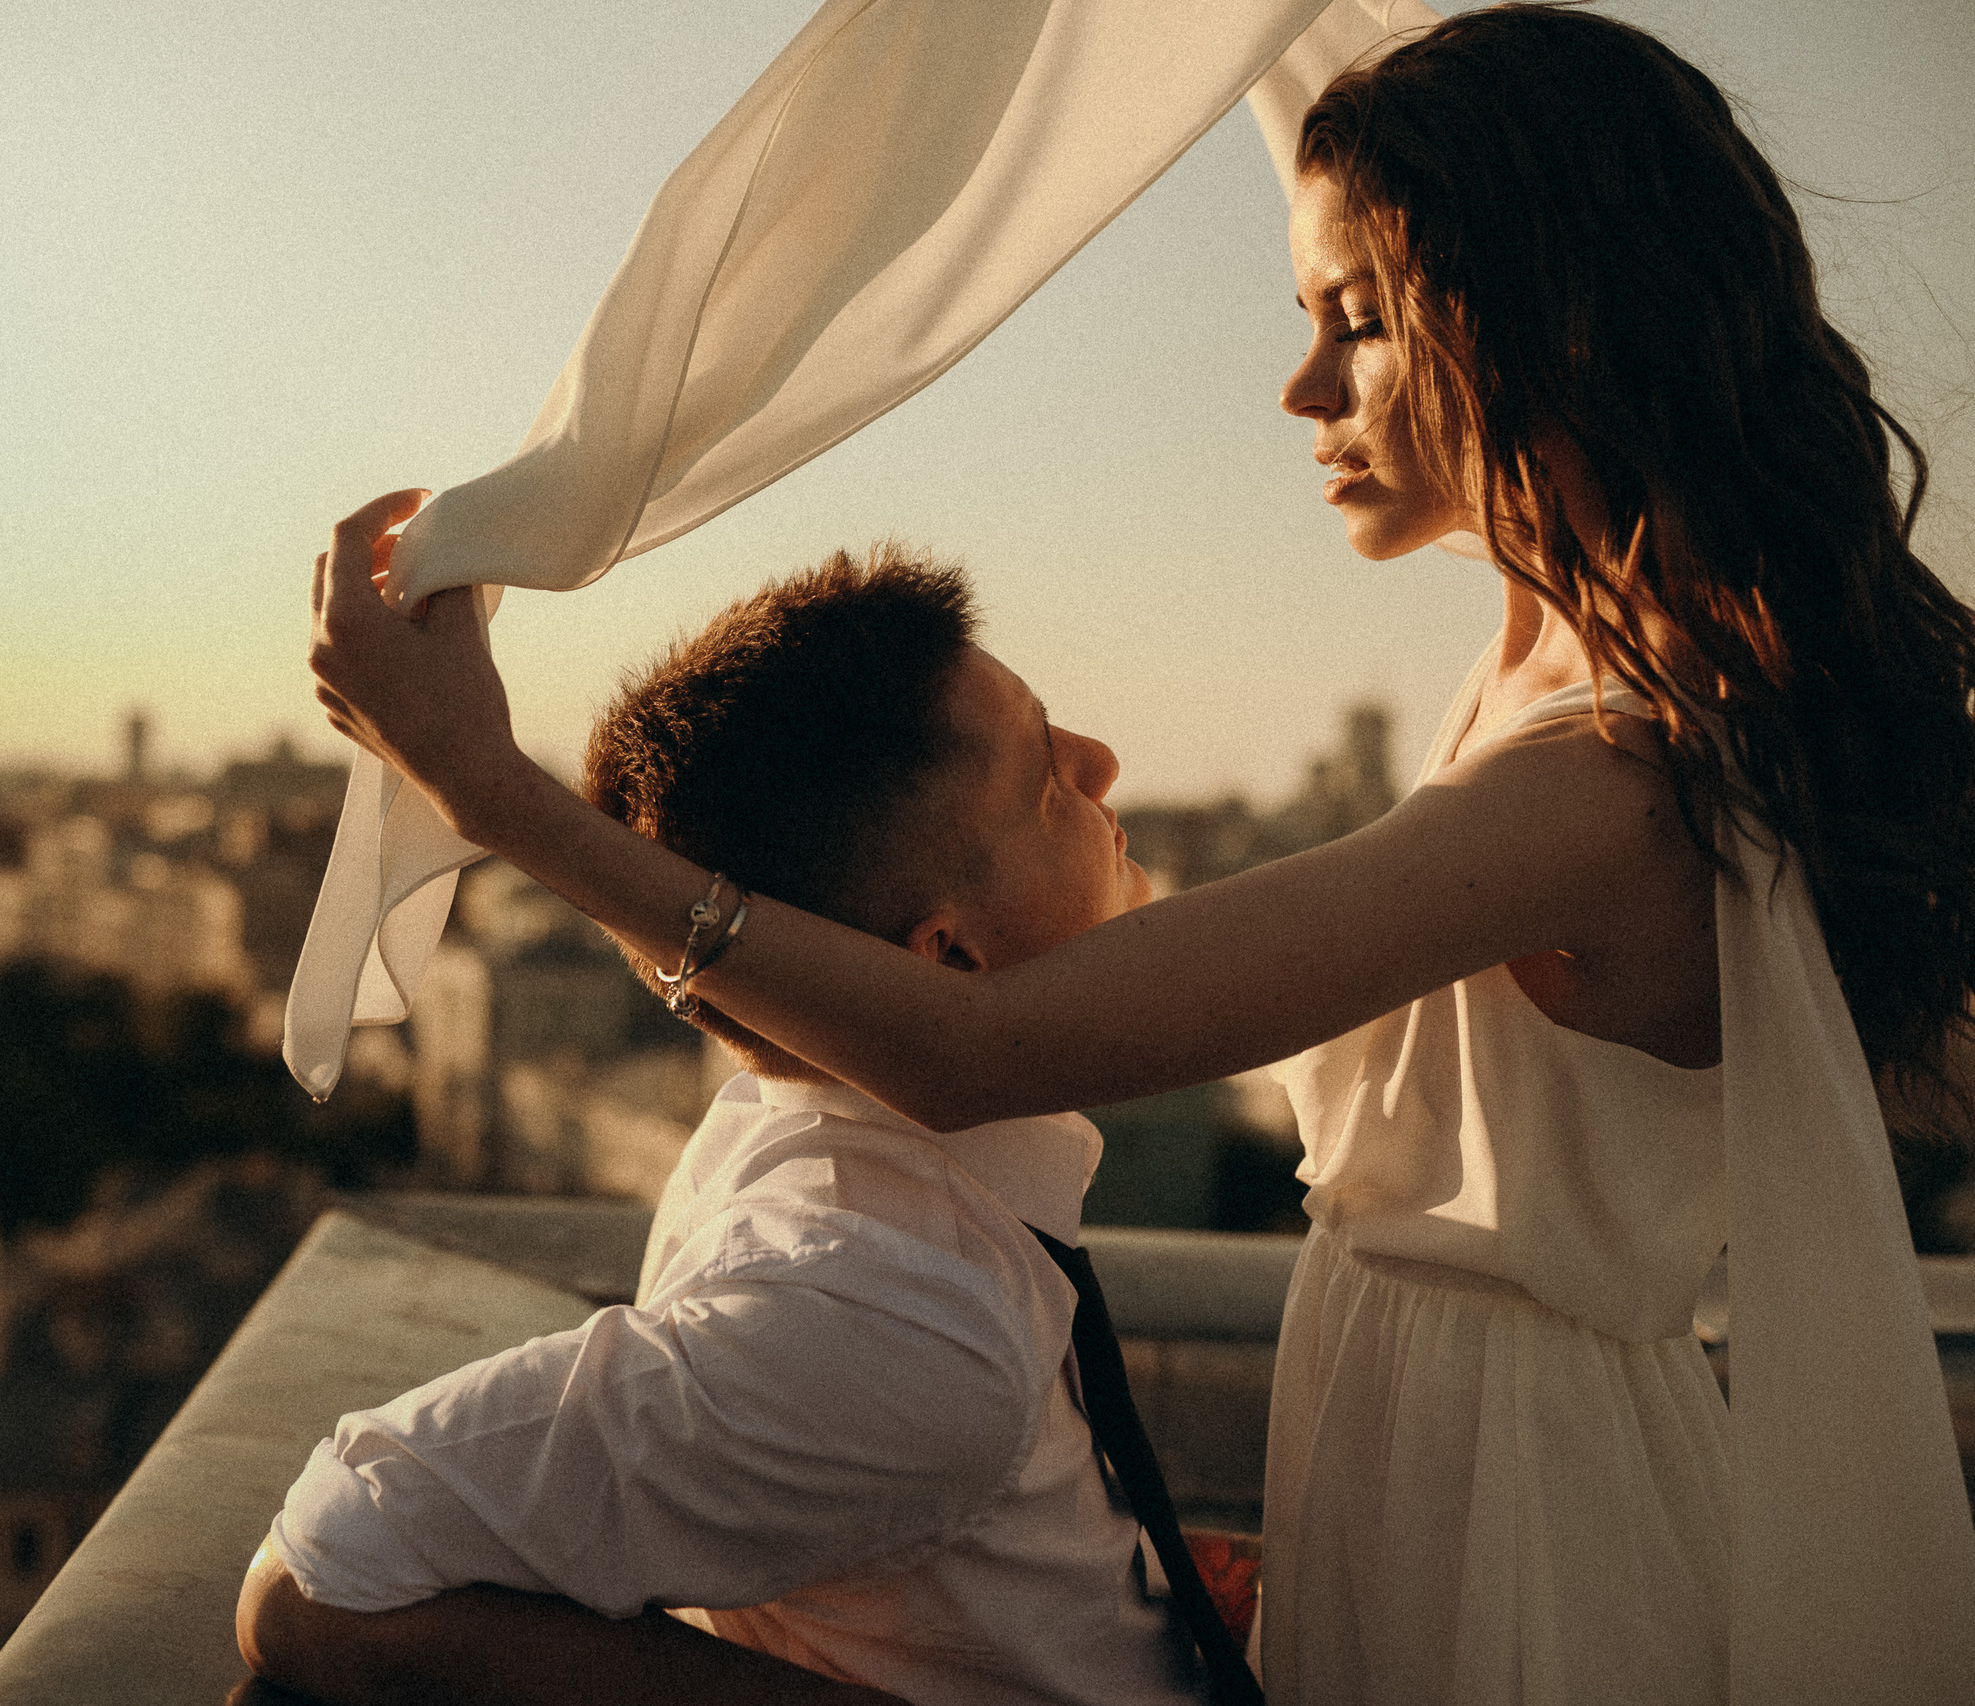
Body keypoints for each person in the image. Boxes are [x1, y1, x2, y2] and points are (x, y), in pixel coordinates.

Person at [303, 7, 1975, 1703]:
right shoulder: (1559, 647)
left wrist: (497, 798)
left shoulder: (1604, 778)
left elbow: (978, 1051)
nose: (1302, 385)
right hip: (1429, 1436)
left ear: (1543, 318)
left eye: (1360, 323)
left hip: (1521, 1506)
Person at [243, 547, 1247, 1706]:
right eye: (1044, 783)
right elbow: (325, 1570)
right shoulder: (895, 1317)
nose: (1103, 762)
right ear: (945, 951)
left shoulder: (805, 1138)